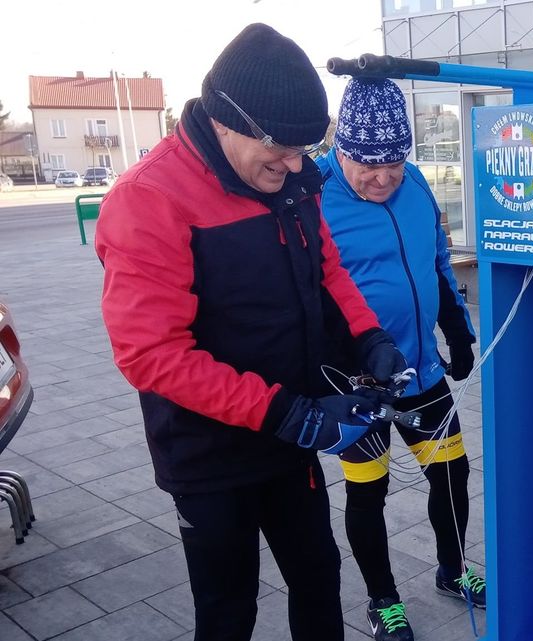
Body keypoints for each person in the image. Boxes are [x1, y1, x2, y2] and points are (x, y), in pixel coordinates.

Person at [95, 24, 407, 641]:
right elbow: (149, 354)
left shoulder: (289, 179)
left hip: (290, 433)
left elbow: (326, 271)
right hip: (208, 451)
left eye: (303, 151)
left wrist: (369, 339)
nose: (296, 166)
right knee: (228, 605)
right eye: (282, 150)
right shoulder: (149, 199)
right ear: (228, 121)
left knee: (319, 575)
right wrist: (286, 414)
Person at [316, 77, 483, 641]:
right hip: (357, 380)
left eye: (393, 162)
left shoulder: (414, 183)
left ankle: (454, 569)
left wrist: (457, 329)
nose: (383, 177)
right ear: (341, 148)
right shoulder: (312, 193)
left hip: (422, 369)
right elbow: (305, 291)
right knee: (369, 492)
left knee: (452, 474)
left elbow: (436, 260)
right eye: (368, 165)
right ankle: (382, 599)